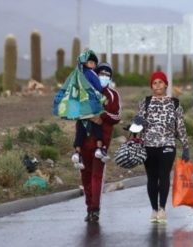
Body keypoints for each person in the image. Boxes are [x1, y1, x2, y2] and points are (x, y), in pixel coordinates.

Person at [133, 71, 190, 223]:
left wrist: (186, 147)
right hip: (148, 146)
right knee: (152, 178)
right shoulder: (145, 102)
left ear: (166, 84)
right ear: (151, 86)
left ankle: (162, 209)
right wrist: (136, 126)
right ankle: (154, 209)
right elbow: (137, 124)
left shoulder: (175, 103)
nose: (157, 85)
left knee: (164, 176)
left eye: (160, 82)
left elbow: (181, 127)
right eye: (154, 83)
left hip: (168, 144)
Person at [73, 62, 122, 222]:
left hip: (102, 143)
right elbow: (78, 116)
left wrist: (102, 116)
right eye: (102, 73)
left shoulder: (113, 95)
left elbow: (117, 117)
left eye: (107, 75)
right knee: (85, 177)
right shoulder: (86, 92)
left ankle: (95, 209)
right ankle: (89, 208)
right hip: (84, 141)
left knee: (96, 176)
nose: (104, 77)